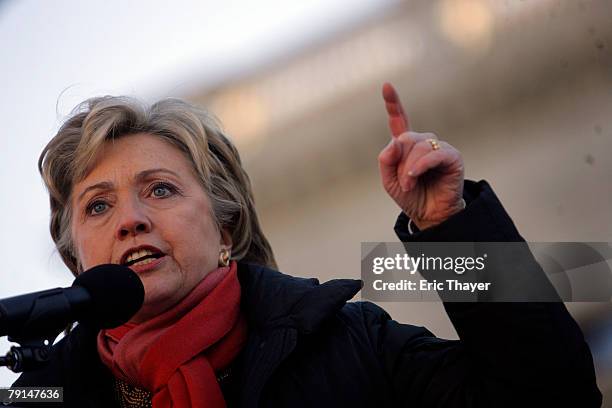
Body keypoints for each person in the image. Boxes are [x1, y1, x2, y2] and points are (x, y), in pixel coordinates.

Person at [12, 83, 600, 407]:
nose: (130, 220)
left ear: (226, 227)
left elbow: (552, 398)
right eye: (97, 205)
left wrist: (453, 228)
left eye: (160, 189)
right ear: (75, 256)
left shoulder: (351, 344)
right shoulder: (42, 394)